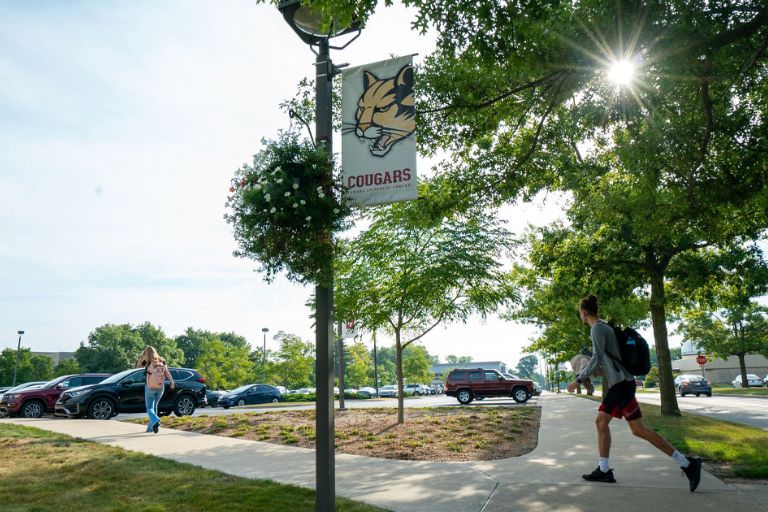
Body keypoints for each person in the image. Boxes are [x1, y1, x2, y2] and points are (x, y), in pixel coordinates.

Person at [566, 295, 702, 492]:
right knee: (601, 421)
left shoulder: (597, 328)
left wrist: (578, 379)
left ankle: (688, 464)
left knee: (638, 429)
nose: (581, 315)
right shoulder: (604, 326)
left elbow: (596, 358)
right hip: (619, 384)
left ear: (584, 312)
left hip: (621, 385)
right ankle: (604, 469)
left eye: (580, 312)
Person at [136, 346, 174, 434]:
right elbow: (167, 373)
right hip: (160, 387)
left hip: (150, 387)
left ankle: (156, 419)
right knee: (155, 406)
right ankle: (150, 429)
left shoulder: (147, 362)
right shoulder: (162, 361)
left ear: (146, 353)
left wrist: (141, 357)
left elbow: (138, 367)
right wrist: (172, 382)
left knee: (149, 408)